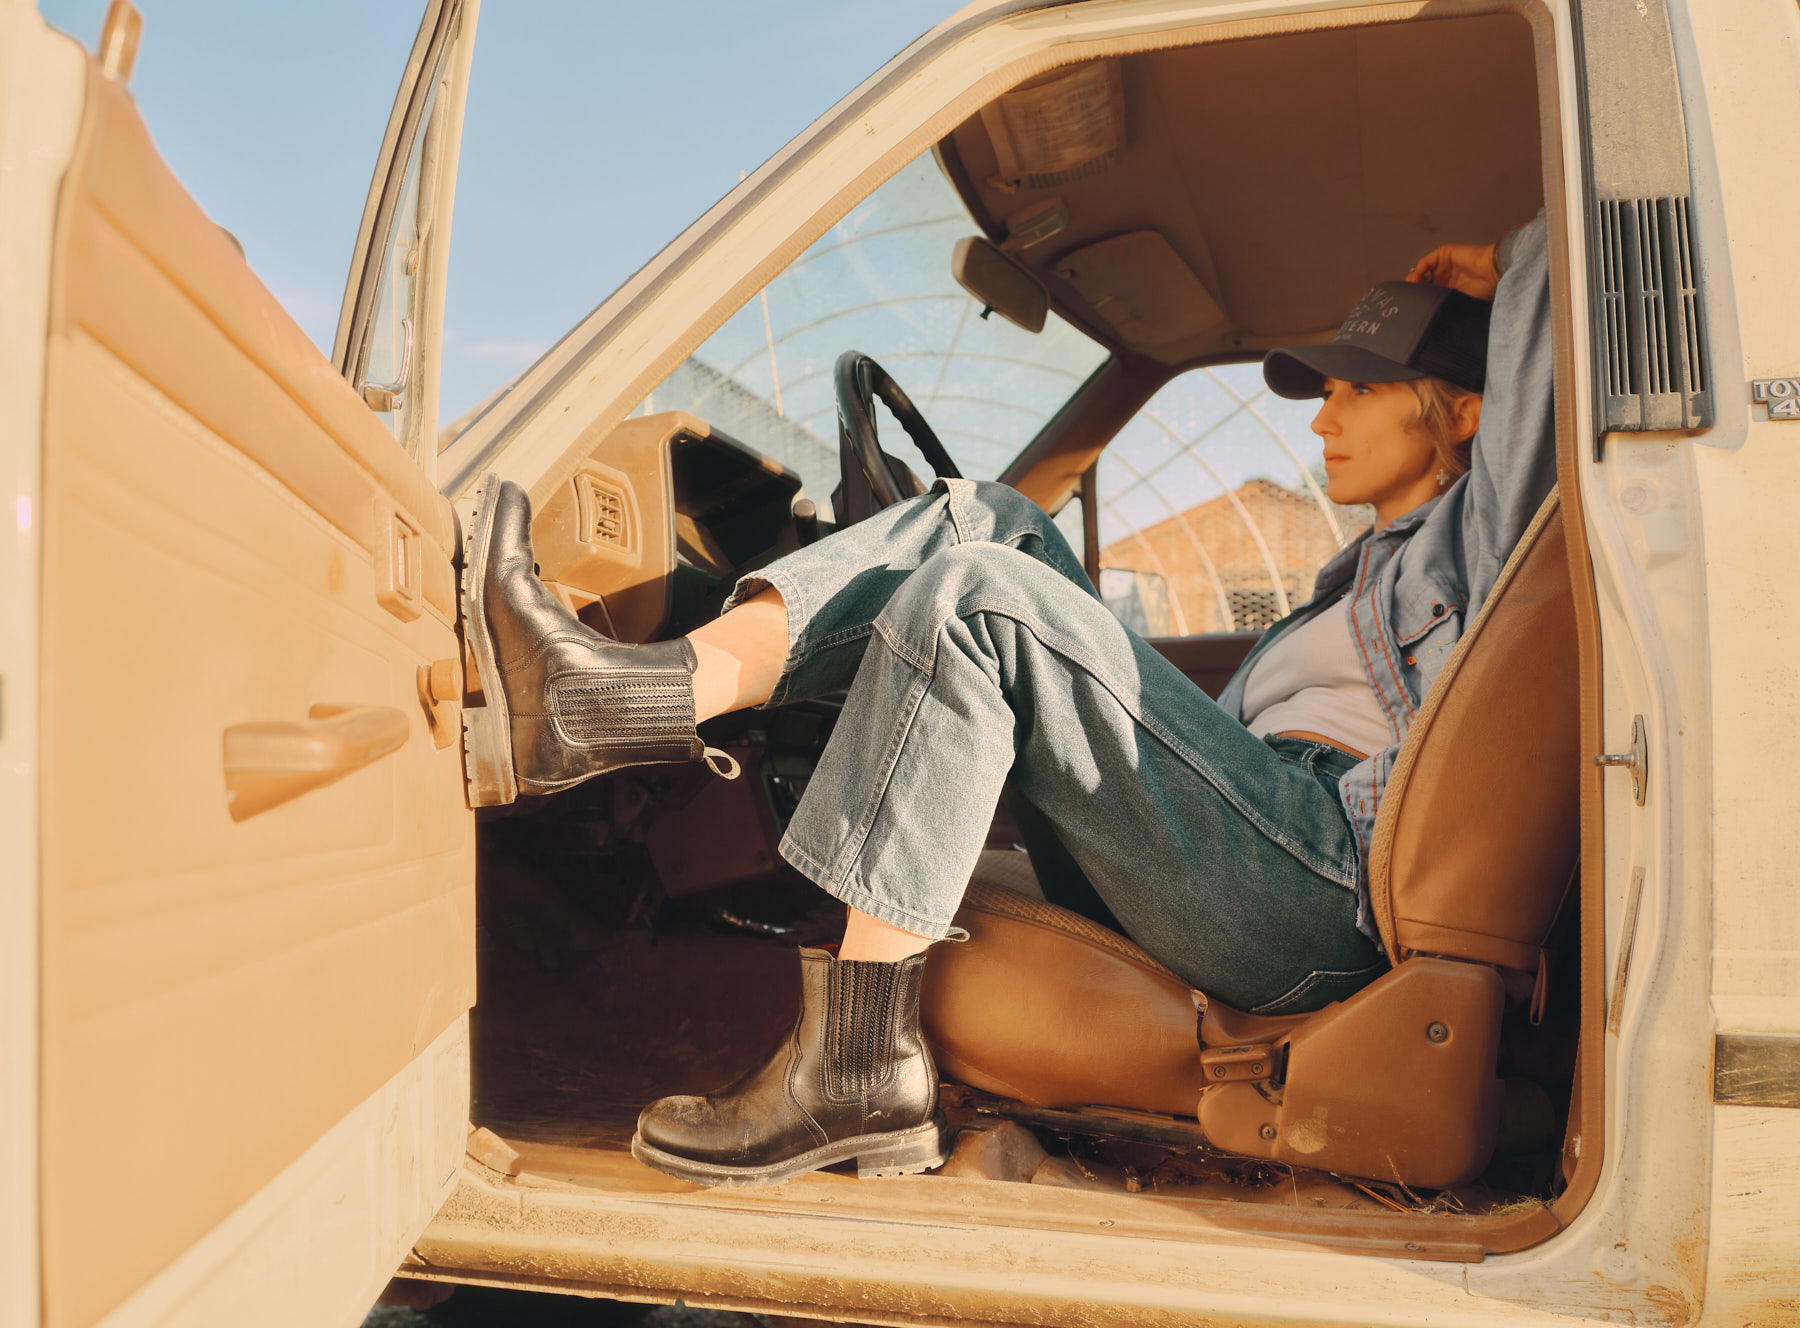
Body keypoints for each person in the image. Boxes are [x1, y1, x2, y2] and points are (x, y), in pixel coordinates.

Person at [461, 216, 1556, 1187]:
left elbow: (1599, 233)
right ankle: (615, 700)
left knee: (984, 596)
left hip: (1319, 892)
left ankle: (852, 1069)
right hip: (1246, 845)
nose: (1324, 417)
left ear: (1463, 415)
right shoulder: (1342, 587)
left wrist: (1505, 261)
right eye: (1327, 388)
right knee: (987, 521)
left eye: (1360, 386)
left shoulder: (1486, 537)